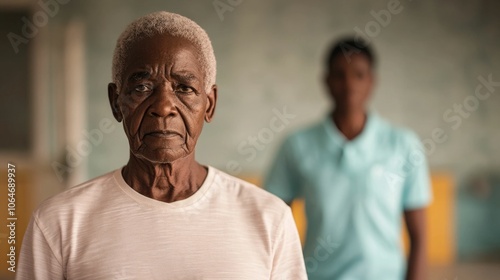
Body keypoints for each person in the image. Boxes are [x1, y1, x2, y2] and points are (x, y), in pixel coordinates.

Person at [16, 11, 307, 280]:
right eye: (142, 87)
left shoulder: (269, 218)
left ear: (210, 104)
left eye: (184, 88)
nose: (164, 106)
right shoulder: (58, 222)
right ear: (116, 103)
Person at [264, 37, 432, 280]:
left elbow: (419, 238)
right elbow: (270, 226)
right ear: (326, 81)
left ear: (372, 81)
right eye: (339, 75)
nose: (349, 84)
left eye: (359, 75)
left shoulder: (403, 145)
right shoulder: (297, 145)